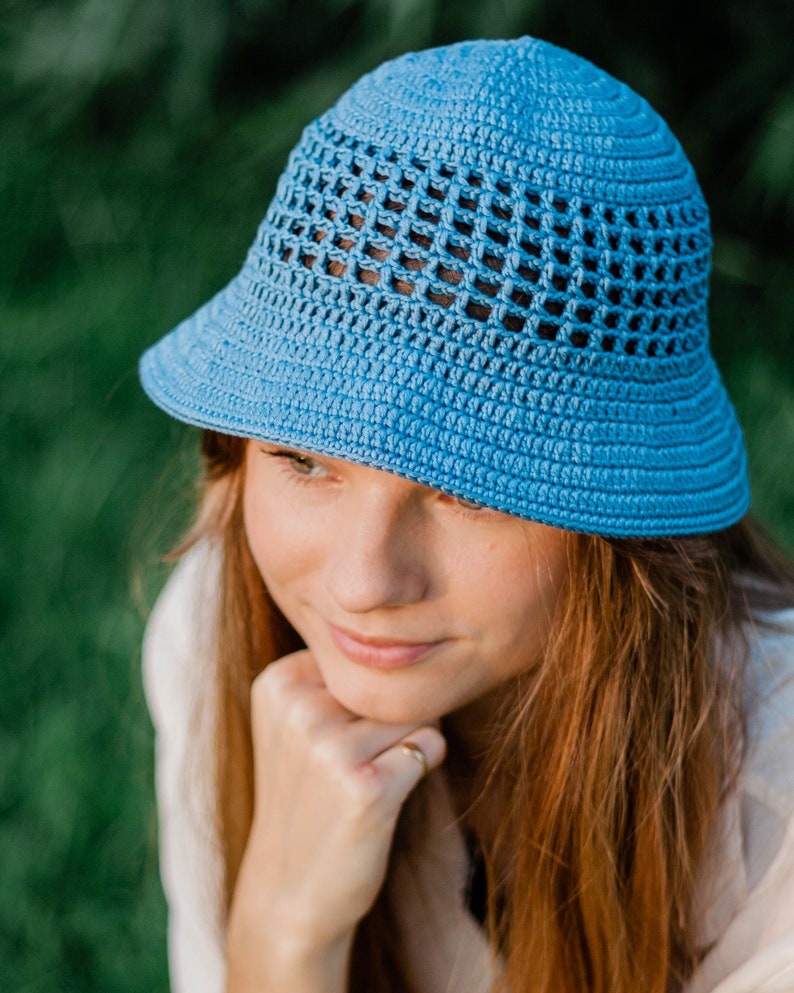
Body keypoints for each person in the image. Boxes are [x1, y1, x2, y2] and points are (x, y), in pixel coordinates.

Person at [138, 36, 794, 993]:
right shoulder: (217, 635)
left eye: (469, 491)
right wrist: (284, 931)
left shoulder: (770, 792)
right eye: (304, 458)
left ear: (623, 521)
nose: (364, 582)